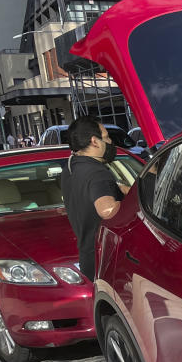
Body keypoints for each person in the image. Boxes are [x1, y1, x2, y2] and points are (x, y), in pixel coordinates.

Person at [60, 116, 128, 284]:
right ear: (95, 141)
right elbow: (106, 210)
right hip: (109, 262)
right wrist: (132, 200)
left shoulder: (71, 168)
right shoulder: (97, 173)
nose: (111, 141)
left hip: (89, 259)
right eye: (106, 137)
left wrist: (117, 188)